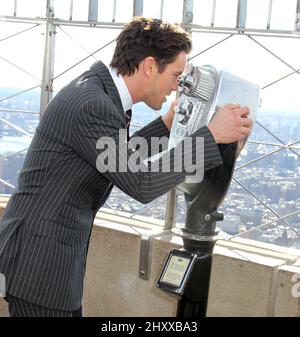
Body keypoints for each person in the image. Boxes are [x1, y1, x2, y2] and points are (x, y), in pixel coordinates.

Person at [0, 17, 252, 317]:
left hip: (43, 254)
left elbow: (115, 159)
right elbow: (140, 183)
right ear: (149, 66)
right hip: (41, 261)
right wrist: (211, 136)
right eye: (175, 75)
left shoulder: (97, 92)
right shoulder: (93, 104)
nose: (177, 87)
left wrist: (166, 125)